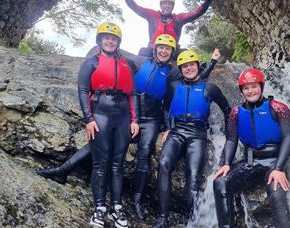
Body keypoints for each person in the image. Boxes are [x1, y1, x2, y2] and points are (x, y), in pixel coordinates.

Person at [36, 34, 218, 221]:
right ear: (154, 49)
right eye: (160, 47)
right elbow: (114, 66)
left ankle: (137, 201)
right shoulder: (138, 62)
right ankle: (63, 170)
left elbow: (195, 77)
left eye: (168, 49)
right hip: (129, 113)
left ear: (172, 52)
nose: (163, 51)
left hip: (152, 119)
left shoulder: (173, 73)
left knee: (145, 153)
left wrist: (211, 62)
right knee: (100, 145)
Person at [152, 50, 230, 228]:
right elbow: (165, 109)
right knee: (164, 164)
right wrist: (168, 128)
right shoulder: (173, 86)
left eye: (191, 65)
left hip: (197, 134)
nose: (189, 69)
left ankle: (192, 220)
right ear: (181, 69)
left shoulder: (210, 88)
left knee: (193, 174)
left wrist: (228, 135)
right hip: (177, 131)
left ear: (197, 66)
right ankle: (163, 217)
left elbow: (227, 110)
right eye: (185, 66)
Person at [212, 68, 290, 228]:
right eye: (246, 88)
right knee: (220, 182)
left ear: (261, 87)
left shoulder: (278, 108)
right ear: (242, 91)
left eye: (253, 86)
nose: (250, 91)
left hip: (276, 162)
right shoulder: (236, 113)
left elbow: (288, 138)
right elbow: (231, 139)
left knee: (276, 193)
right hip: (251, 162)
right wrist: (227, 163)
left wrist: (279, 168)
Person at [77, 21, 139, 228]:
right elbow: (83, 91)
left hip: (121, 116)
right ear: (100, 40)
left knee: (117, 164)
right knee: (101, 163)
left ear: (118, 42)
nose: (110, 41)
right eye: (106, 38)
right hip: (101, 113)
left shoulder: (127, 64)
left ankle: (116, 207)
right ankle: (99, 208)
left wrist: (135, 120)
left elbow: (132, 94)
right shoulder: (91, 62)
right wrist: (88, 119)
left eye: (113, 38)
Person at [125, 0, 213, 56]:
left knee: (187, 54)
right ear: (161, 5)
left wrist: (208, 1)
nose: (167, 6)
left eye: (170, 4)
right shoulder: (153, 15)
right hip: (153, 50)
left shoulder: (178, 18)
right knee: (143, 52)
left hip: (172, 51)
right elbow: (134, 7)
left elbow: (197, 12)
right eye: (165, 3)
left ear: (172, 6)